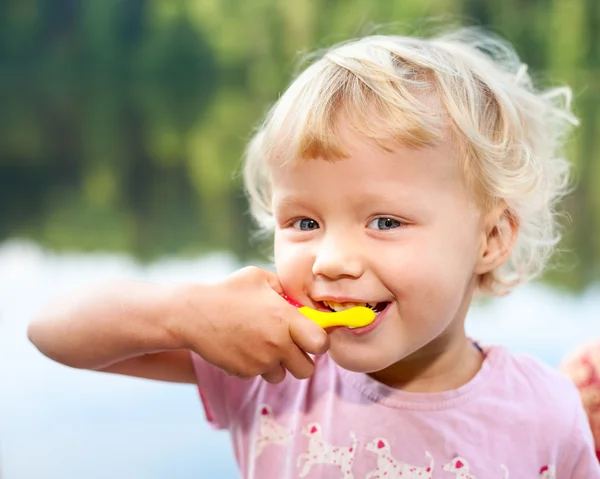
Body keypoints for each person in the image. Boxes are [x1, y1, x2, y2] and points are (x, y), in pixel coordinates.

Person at [28, 26, 599, 478]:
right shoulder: (273, 363)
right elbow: (52, 330)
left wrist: (567, 419)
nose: (330, 260)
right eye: (305, 221)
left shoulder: (545, 412)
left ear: (492, 238)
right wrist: (187, 314)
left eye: (384, 221)